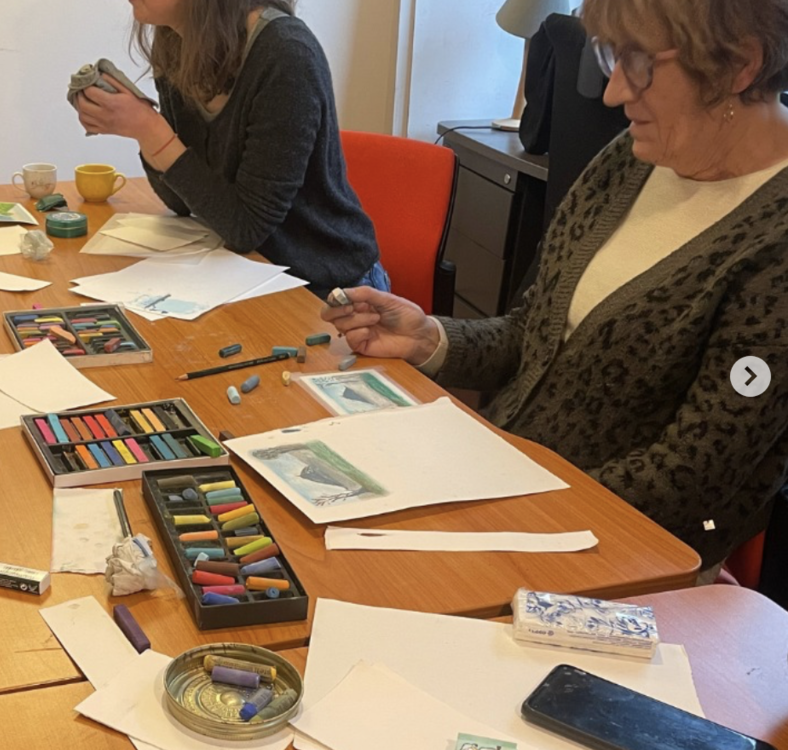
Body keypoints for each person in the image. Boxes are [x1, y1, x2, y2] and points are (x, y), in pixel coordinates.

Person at [323, 0, 788, 579]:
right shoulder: (634, 159)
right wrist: (431, 338)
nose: (614, 93)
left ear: (741, 65)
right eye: (611, 58)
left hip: (613, 559)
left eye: (639, 62)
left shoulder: (775, 237)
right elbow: (533, 332)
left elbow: (689, 479)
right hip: (505, 492)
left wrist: (503, 506)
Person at [74, 0, 387, 297]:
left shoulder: (286, 54)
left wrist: (149, 129)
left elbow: (247, 227)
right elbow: (181, 201)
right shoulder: (174, 41)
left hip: (329, 285)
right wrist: (143, 131)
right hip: (250, 274)